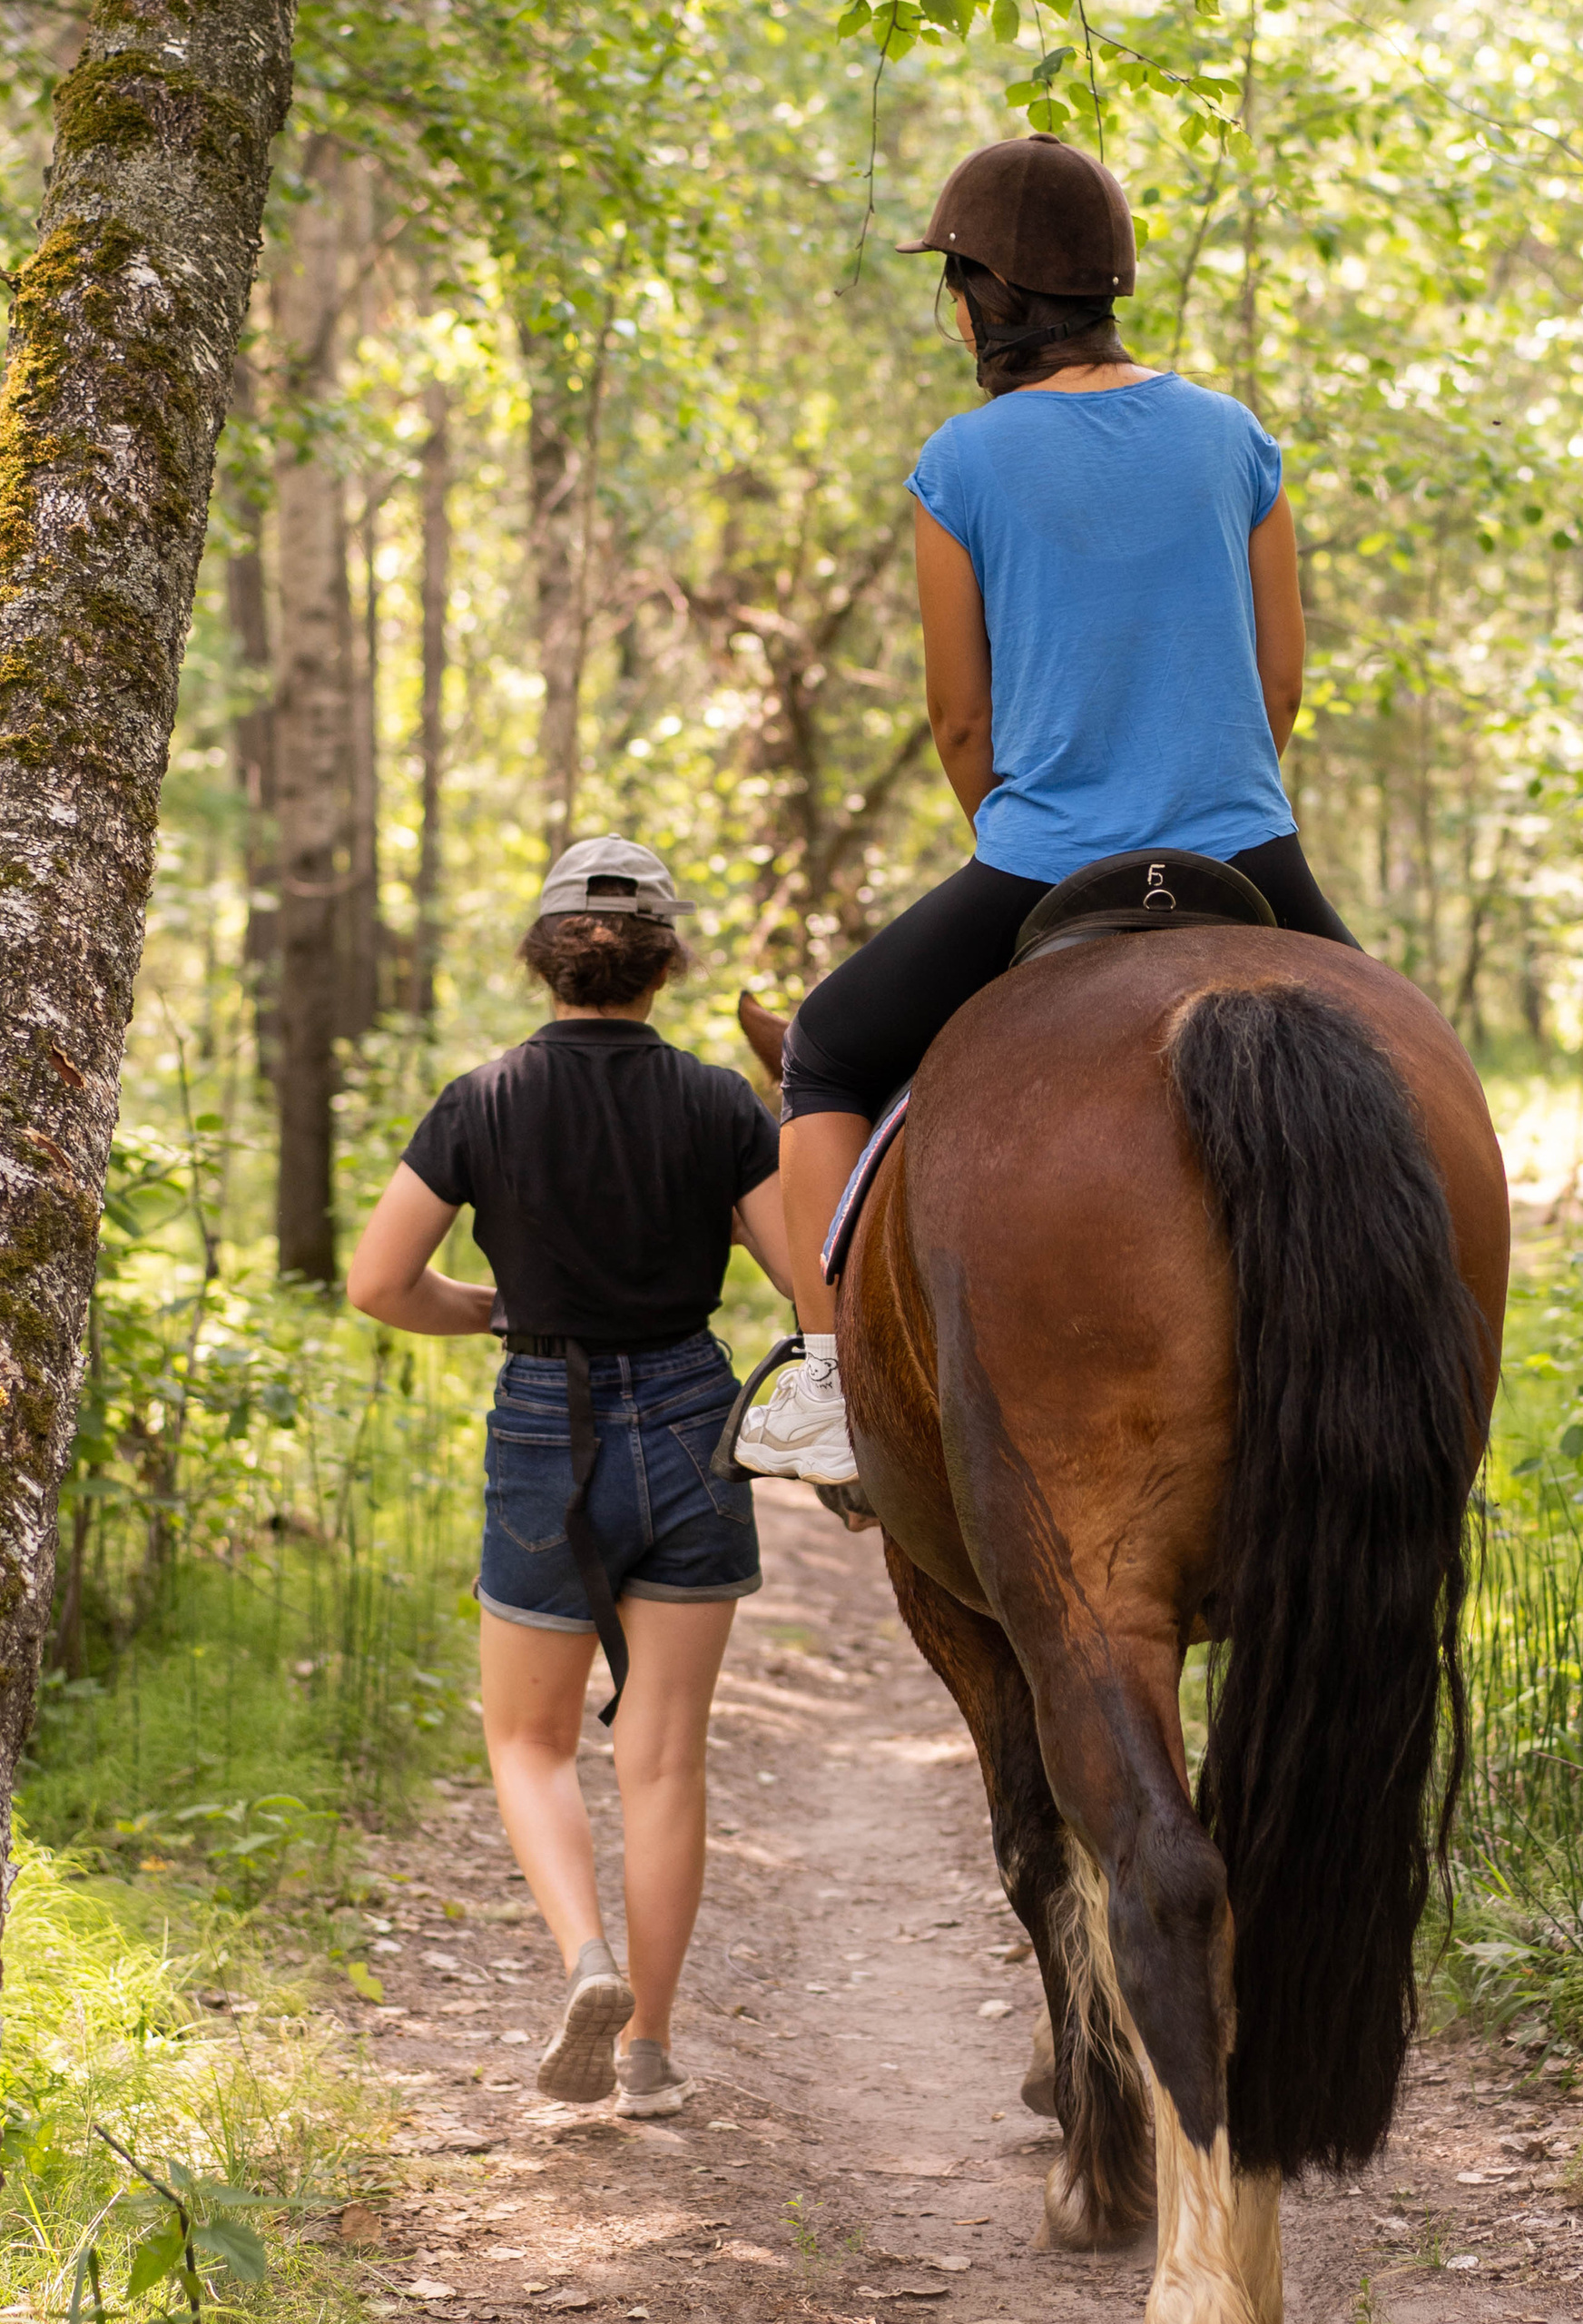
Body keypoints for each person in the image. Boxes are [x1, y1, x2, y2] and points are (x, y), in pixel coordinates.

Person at [733, 131, 1358, 1489]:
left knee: (828, 1052)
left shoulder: (960, 465)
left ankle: (829, 1383)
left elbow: (963, 722)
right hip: (1244, 845)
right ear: (1108, 286)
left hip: (1047, 860)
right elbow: (1283, 674)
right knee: (1399, 1067)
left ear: (982, 297)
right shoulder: (1232, 437)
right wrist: (1218, 795)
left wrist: (1022, 830)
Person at [347, 838, 791, 2120]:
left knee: (528, 1741)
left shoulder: (481, 1100)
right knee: (663, 1761)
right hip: (696, 1419)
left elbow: (380, 1282)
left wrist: (494, 1310)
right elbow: (804, 1288)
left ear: (545, 956)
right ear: (666, 962)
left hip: (548, 1415)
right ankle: (649, 2050)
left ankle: (583, 1959)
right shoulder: (718, 1104)